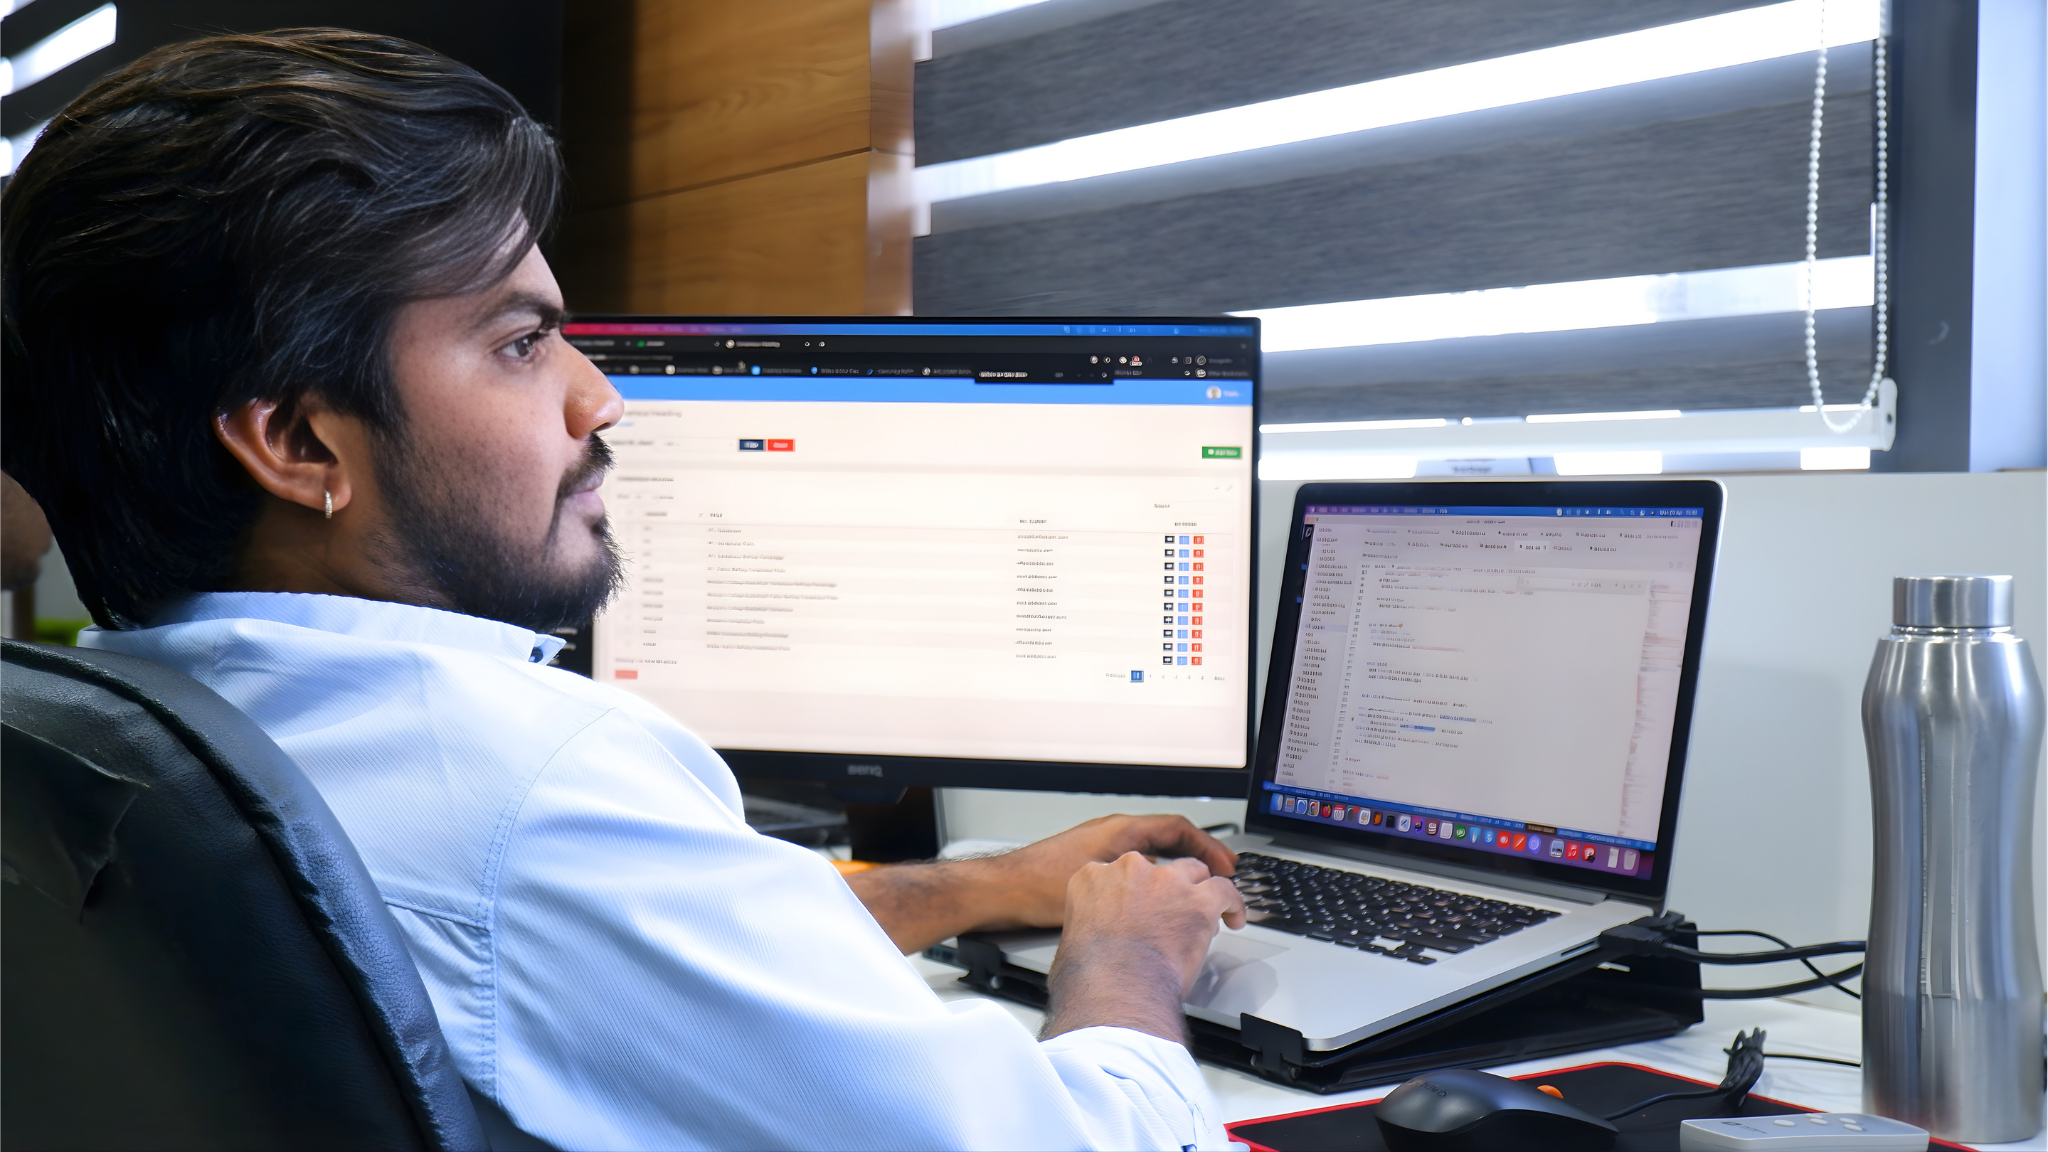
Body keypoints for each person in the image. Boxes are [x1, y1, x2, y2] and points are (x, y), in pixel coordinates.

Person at [0, 29, 1248, 1151]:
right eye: (519, 343)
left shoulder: (138, 722)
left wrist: (976, 886)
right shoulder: (534, 790)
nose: (601, 400)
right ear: (297, 443)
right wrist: (1125, 964)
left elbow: (570, 956)